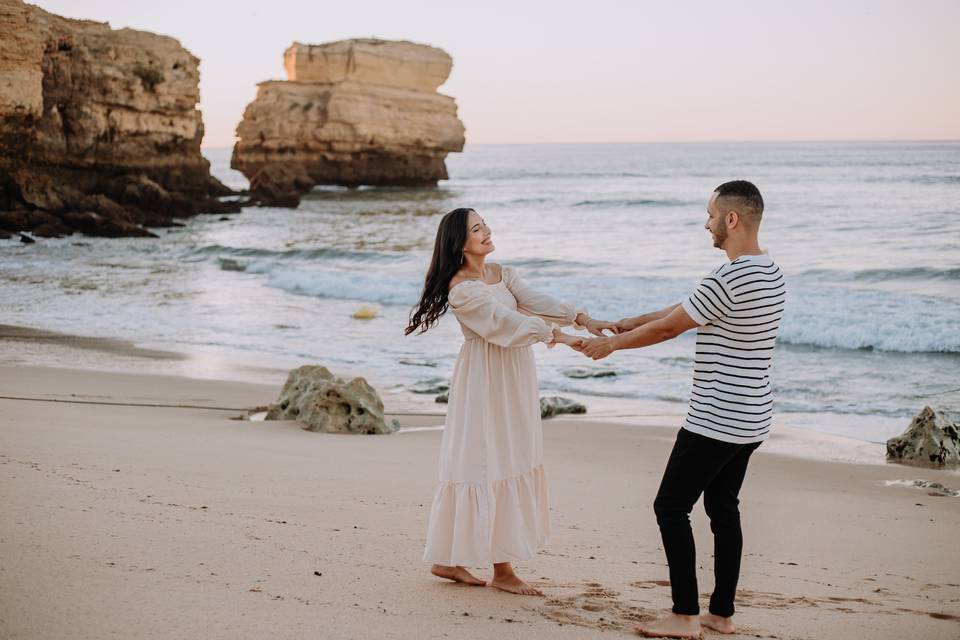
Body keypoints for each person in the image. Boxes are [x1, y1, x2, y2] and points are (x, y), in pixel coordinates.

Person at [577, 181, 784, 638]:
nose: (705, 223)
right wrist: (633, 320)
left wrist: (612, 343)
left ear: (732, 219)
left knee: (670, 507)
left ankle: (684, 615)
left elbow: (672, 328)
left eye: (711, 215)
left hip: (715, 419)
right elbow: (687, 310)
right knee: (723, 507)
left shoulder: (727, 277)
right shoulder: (770, 272)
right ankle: (721, 615)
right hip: (752, 419)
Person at [406, 207, 611, 595]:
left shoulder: (502, 273)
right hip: (485, 378)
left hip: (514, 372)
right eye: (476, 229)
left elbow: (534, 300)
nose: (486, 232)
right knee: (489, 459)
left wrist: (581, 318)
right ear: (459, 243)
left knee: (512, 454)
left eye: (485, 225)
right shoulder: (462, 289)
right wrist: (559, 338)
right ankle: (501, 569)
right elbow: (505, 324)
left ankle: (451, 560)